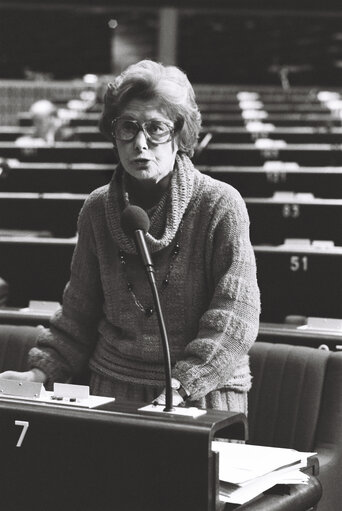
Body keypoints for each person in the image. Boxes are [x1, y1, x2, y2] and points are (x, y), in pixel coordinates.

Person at [0, 60, 260, 412]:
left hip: (201, 397)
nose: (140, 143)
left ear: (180, 134)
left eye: (156, 128)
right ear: (114, 133)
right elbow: (79, 311)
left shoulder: (219, 203)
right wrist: (38, 372)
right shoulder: (97, 209)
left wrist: (182, 384)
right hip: (114, 392)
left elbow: (235, 316)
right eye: (128, 127)